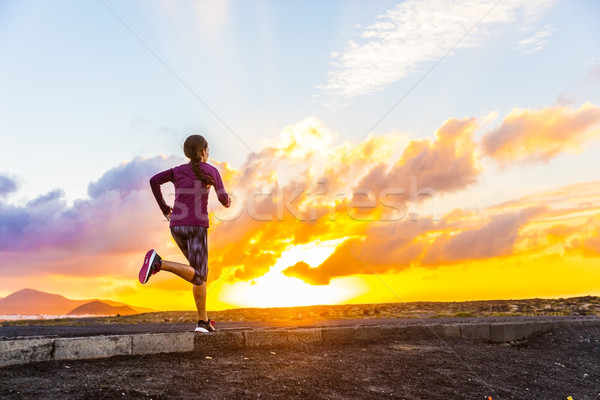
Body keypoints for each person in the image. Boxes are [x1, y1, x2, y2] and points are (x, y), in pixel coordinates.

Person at [139, 134, 231, 333]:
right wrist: (228, 200)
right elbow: (224, 199)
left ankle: (203, 321)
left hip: (176, 227)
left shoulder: (177, 171)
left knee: (200, 275)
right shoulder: (211, 171)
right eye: (208, 150)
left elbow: (154, 181)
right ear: (203, 151)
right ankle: (159, 263)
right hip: (196, 227)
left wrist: (165, 208)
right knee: (199, 274)